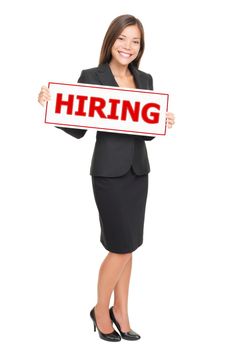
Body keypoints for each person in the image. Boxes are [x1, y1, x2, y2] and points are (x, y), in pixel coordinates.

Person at [38, 14, 175, 342]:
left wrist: (162, 121)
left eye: (135, 41)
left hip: (138, 172)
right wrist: (50, 106)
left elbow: (146, 134)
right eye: (122, 38)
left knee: (130, 247)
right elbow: (77, 128)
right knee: (120, 246)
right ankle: (101, 310)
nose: (128, 46)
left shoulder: (145, 79)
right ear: (111, 40)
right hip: (108, 174)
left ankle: (122, 313)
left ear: (141, 47)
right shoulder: (93, 76)